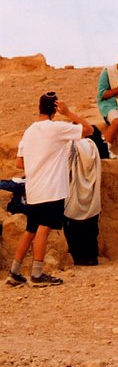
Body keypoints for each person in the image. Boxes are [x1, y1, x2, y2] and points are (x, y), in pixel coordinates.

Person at [6, 92, 93, 287]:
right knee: (43, 229)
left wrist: (38, 161)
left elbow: (20, 163)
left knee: (30, 230)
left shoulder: (29, 132)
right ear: (55, 109)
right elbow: (88, 130)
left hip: (34, 188)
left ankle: (15, 272)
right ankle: (37, 274)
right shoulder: (55, 129)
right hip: (51, 188)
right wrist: (69, 112)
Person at [63, 127, 103, 266]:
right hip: (91, 192)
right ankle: (91, 256)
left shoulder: (71, 145)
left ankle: (78, 257)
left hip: (74, 191)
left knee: (74, 225)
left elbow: (65, 167)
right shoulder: (93, 146)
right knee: (90, 225)